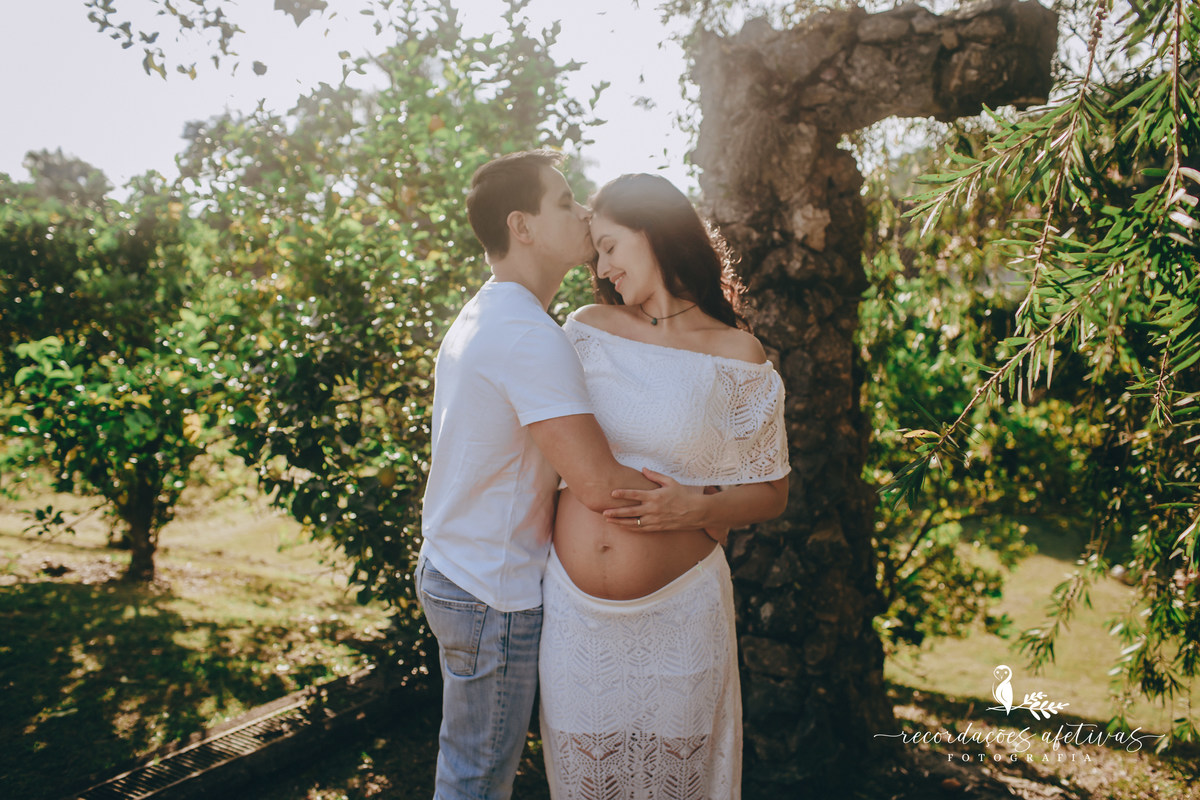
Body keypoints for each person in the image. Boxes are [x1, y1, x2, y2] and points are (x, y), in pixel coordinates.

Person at [417, 151, 729, 800]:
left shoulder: (492, 314)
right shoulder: (527, 333)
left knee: (467, 765)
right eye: (564, 202)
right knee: (477, 780)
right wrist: (708, 510)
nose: (583, 212)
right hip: (489, 587)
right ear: (522, 227)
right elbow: (596, 484)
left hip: (461, 568)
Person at [539, 173, 790, 800]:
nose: (602, 266)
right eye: (597, 251)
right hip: (576, 620)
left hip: (682, 618)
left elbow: (771, 492)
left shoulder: (737, 354)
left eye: (611, 246)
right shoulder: (586, 330)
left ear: (652, 233)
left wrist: (692, 506)